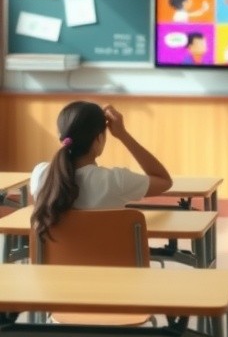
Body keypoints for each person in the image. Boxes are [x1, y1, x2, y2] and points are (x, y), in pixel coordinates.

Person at [30, 101, 172, 240]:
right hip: (108, 262)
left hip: (57, 264)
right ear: (99, 138)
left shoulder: (40, 174)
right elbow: (164, 181)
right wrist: (123, 134)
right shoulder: (117, 181)